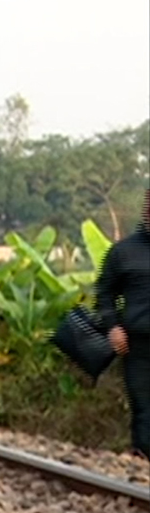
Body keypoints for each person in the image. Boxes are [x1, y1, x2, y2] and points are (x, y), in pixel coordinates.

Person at [95, 187, 150, 461]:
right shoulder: (123, 252)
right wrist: (112, 327)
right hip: (137, 345)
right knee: (144, 408)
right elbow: (103, 294)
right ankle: (142, 466)